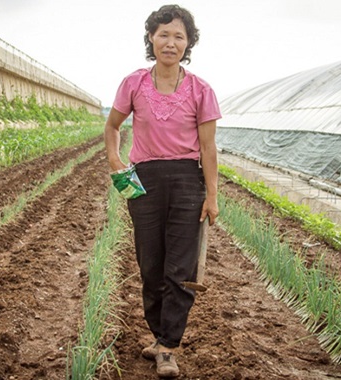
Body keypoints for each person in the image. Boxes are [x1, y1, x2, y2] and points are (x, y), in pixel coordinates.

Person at [104, 4, 220, 378]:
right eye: (164, 34)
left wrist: (212, 194)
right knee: (150, 265)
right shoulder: (134, 83)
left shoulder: (201, 90)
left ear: (189, 44)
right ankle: (158, 336)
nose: (170, 42)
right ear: (151, 38)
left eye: (179, 36)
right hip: (145, 182)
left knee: (179, 269)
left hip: (188, 180)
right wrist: (115, 163)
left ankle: (169, 346)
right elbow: (112, 127)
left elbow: (208, 148)